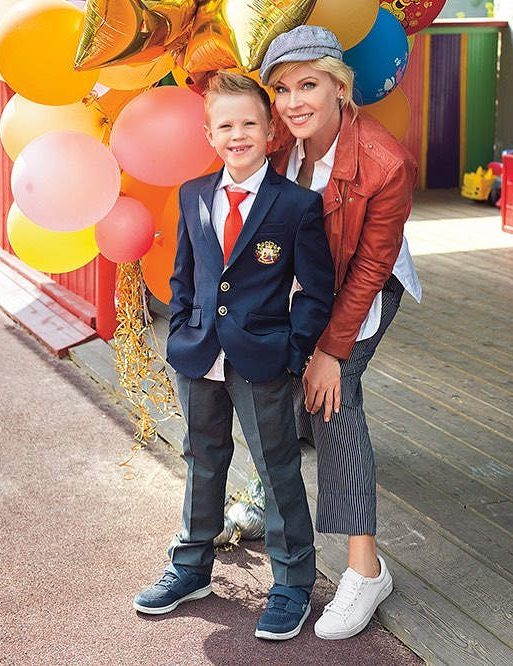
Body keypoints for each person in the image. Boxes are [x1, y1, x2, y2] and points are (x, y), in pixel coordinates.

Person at [133, 71, 335, 641]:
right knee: (202, 458)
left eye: (250, 123)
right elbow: (184, 275)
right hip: (198, 353)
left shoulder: (297, 205)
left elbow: (316, 290)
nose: (238, 134)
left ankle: (292, 583)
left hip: (263, 357)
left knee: (276, 466)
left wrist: (293, 351)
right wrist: (181, 330)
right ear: (209, 134)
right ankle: (191, 567)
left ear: (271, 131)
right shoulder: (193, 194)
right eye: (226, 125)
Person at [259, 25, 421, 640]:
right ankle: (267, 493)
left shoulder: (385, 162)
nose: (293, 101)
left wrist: (330, 351)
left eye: (308, 85)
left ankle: (365, 570)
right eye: (281, 89)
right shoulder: (278, 140)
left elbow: (371, 269)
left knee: (332, 397)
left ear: (340, 88)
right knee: (269, 377)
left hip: (363, 287)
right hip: (304, 286)